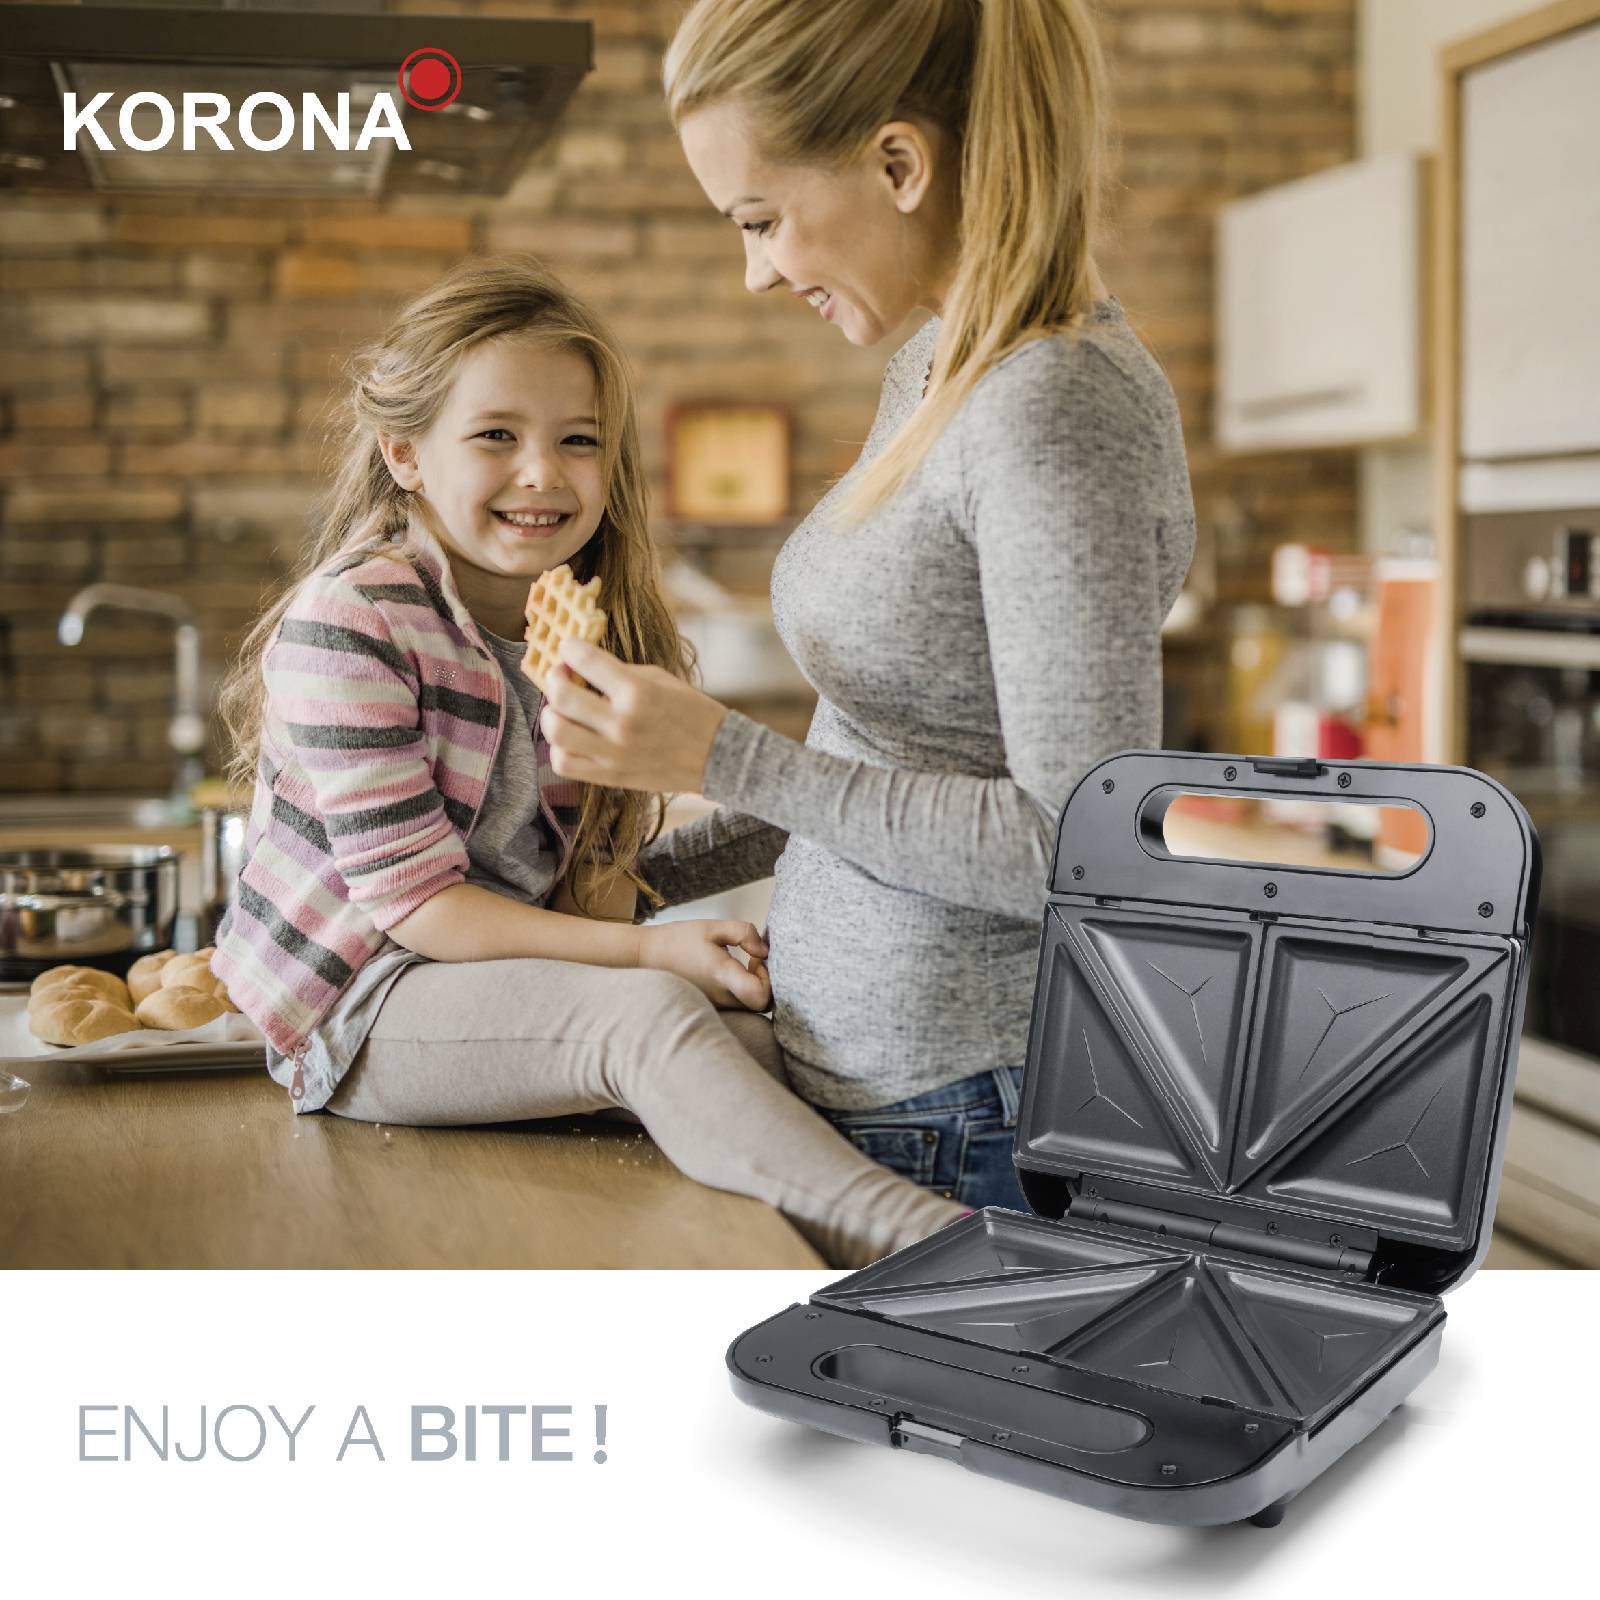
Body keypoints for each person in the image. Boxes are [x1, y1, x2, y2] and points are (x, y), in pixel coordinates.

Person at [536, 0, 1198, 1210]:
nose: (756, 270)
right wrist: (641, 882)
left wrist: (723, 755)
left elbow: (1080, 851)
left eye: (763, 219)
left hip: (973, 1112)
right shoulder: (937, 369)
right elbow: (881, 752)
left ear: (898, 163)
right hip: (886, 1094)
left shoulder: (1052, 407)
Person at [209, 254, 966, 1268]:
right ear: (404, 454)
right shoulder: (353, 620)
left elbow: (589, 881)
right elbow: (419, 905)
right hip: (363, 1006)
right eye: (495, 437)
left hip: (505, 978)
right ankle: (927, 1246)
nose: (543, 473)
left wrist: (838, 799)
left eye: (578, 440)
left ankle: (823, 1264)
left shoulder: (581, 624)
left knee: (757, 1038)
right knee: (649, 1015)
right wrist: (659, 954)